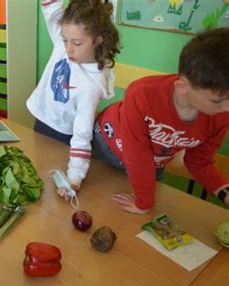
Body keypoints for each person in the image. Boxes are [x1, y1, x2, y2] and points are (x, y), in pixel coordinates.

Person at [92, 27, 229, 214]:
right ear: (183, 87)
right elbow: (137, 155)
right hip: (106, 145)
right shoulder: (141, 94)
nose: (227, 108)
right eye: (218, 101)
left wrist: (224, 191)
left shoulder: (221, 112)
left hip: (151, 164)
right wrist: (144, 202)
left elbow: (200, 162)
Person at [27, 0, 120, 190]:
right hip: (42, 121)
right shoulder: (67, 44)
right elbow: (52, 8)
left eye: (77, 43)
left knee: (49, 185)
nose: (68, 49)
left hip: (63, 137)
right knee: (36, 175)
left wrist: (74, 178)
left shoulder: (90, 87)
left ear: (98, 39)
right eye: (64, 40)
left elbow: (82, 136)